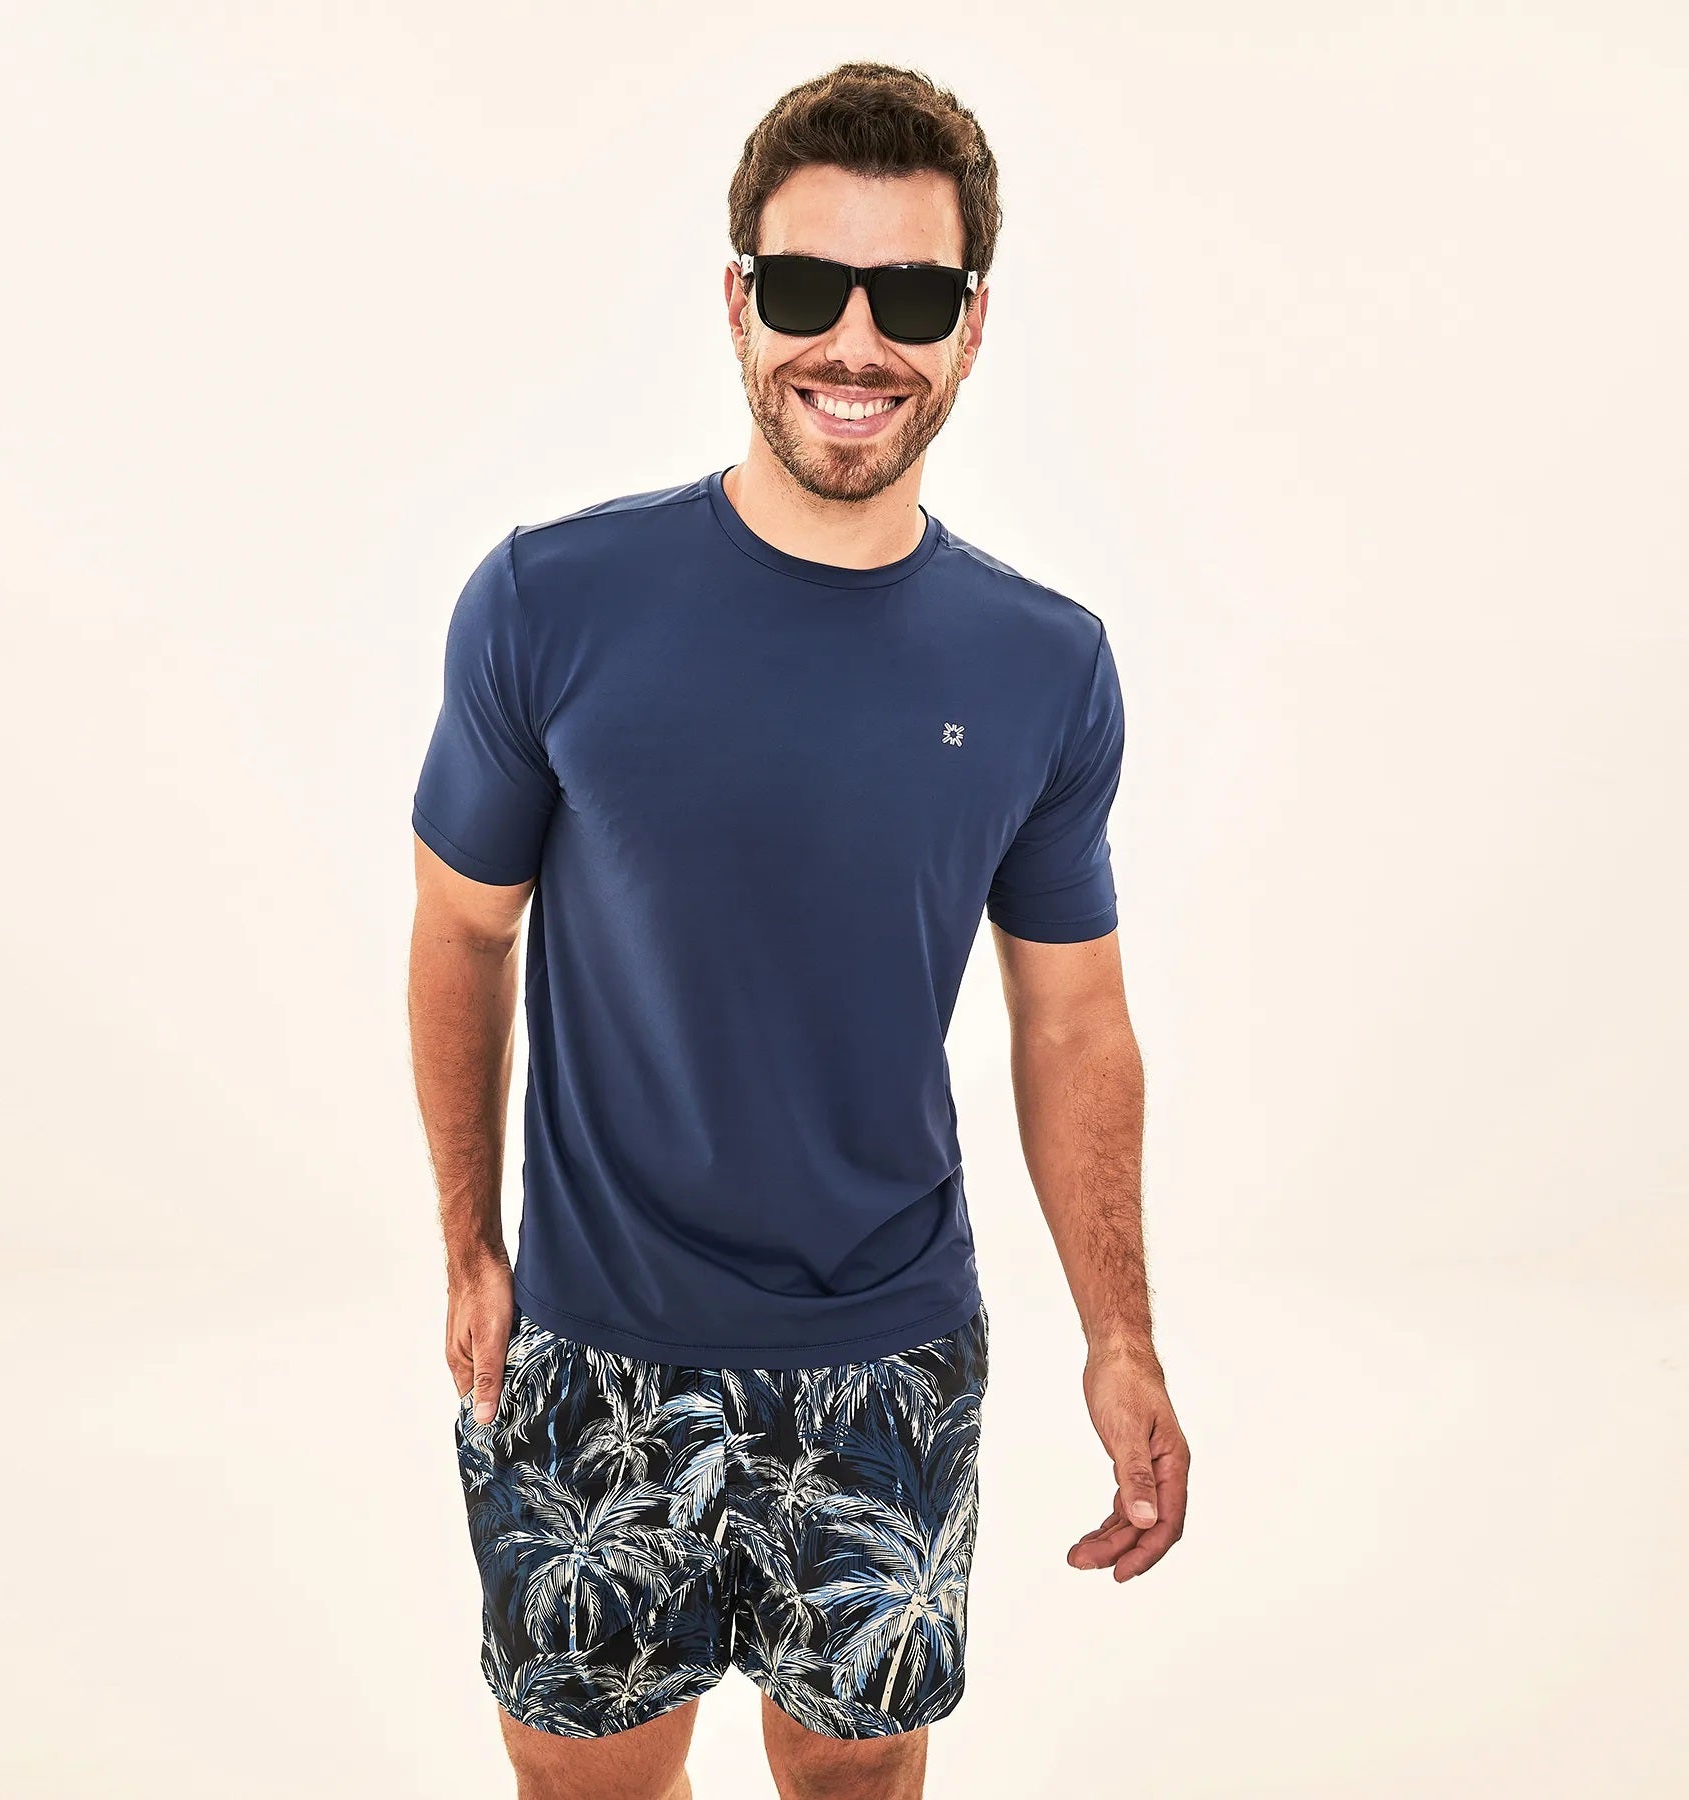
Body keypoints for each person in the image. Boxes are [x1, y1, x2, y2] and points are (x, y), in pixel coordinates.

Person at [407, 59, 1189, 1800]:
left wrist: (1119, 1333)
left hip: (887, 1357)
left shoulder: (1044, 666)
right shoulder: (549, 604)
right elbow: (461, 930)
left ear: (970, 324)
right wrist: (471, 1247)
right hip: (591, 1348)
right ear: (736, 299)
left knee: (855, 1783)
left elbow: (1073, 1021)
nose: (854, 342)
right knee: (589, 1787)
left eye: (907, 296)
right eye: (807, 286)